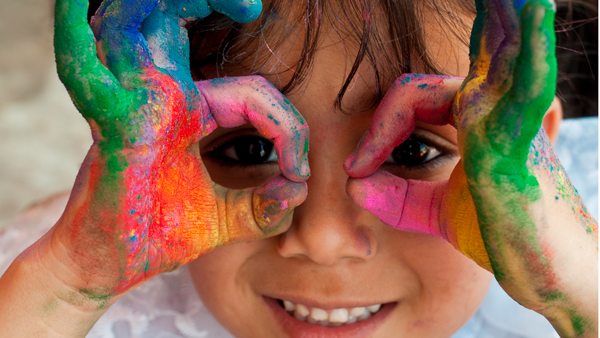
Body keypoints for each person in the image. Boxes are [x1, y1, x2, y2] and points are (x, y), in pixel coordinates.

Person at [0, 0, 597, 337]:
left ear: (540, 164)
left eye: (413, 152)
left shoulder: (582, 262)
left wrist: (578, 297)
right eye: (249, 150)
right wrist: (68, 287)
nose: (323, 241)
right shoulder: (82, 288)